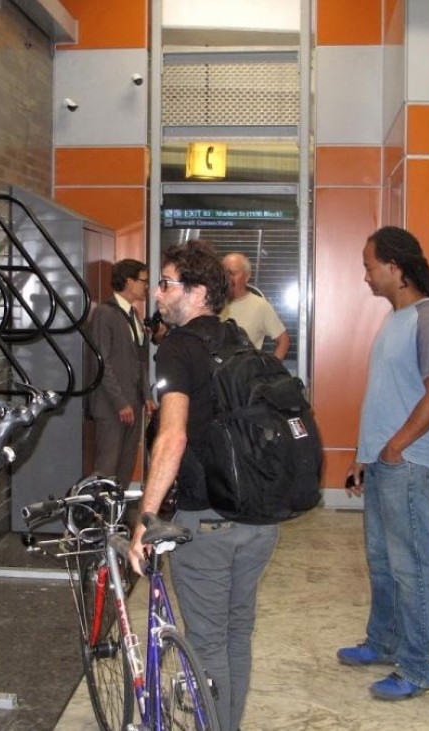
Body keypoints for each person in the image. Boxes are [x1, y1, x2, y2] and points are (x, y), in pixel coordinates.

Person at [130, 241, 278, 731]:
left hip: (207, 521)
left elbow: (171, 437)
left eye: (166, 283)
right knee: (238, 634)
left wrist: (145, 521)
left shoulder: (179, 347)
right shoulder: (237, 339)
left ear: (194, 292)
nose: (157, 292)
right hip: (257, 519)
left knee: (209, 643)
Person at [338, 226, 429, 701]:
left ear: (395, 268)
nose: (365, 276)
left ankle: (419, 666)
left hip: (407, 465)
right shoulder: (396, 318)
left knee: (413, 569)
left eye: (370, 266)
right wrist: (364, 457)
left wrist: (395, 448)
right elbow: (384, 396)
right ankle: (384, 643)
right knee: (383, 563)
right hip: (385, 462)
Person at [86, 259, 153, 489]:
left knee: (125, 465)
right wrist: (120, 402)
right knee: (107, 466)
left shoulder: (133, 316)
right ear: (128, 281)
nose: (146, 285)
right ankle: (100, 519)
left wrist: (146, 396)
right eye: (143, 280)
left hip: (133, 404)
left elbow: (140, 360)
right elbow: (101, 363)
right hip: (111, 406)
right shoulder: (105, 314)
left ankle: (118, 516)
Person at [220, 252, 290, 360]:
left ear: (247, 276)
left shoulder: (260, 306)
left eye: (232, 273)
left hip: (244, 375)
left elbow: (283, 341)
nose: (227, 278)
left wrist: (270, 370)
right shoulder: (211, 303)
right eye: (224, 273)